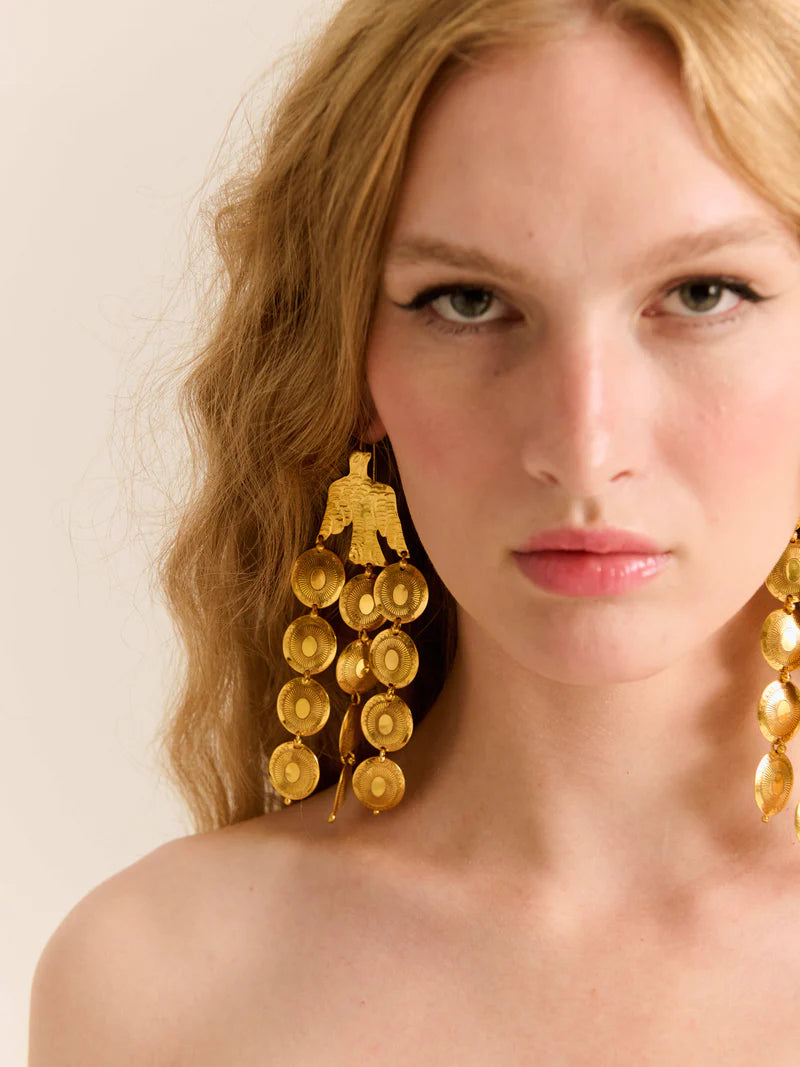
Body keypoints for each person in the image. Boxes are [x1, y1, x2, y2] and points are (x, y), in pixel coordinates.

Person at [28, 0, 800, 1062]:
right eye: (468, 302)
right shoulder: (159, 985)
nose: (584, 448)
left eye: (703, 292)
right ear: (349, 366)